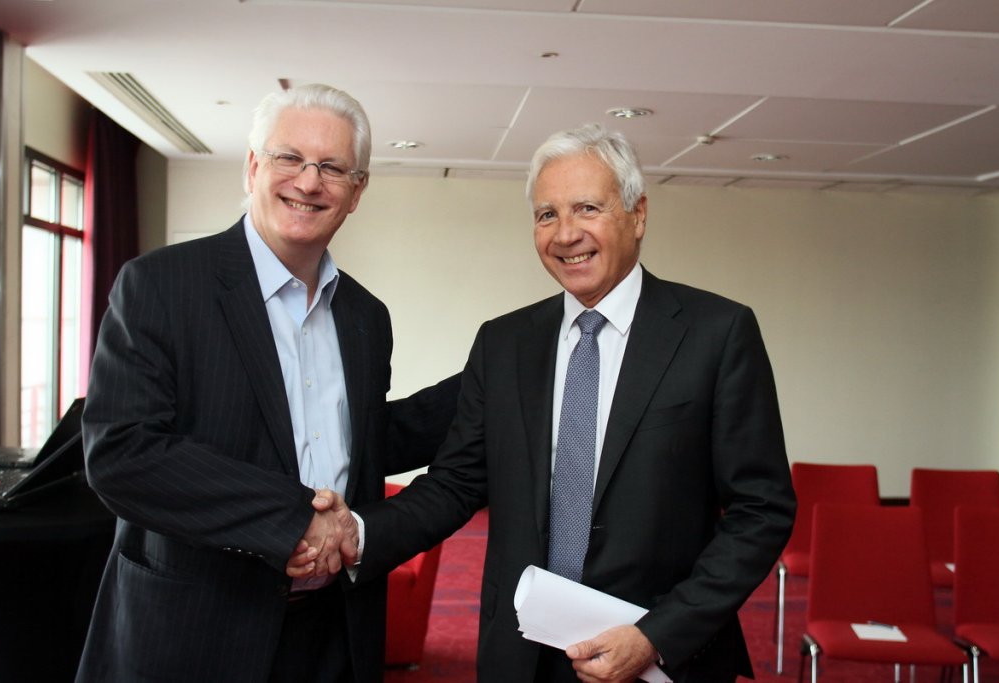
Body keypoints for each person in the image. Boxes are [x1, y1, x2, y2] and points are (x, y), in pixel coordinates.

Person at [327, 123, 795, 682]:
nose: (565, 234)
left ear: (638, 213)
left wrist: (657, 635)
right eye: (547, 214)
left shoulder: (717, 334)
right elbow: (455, 483)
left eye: (587, 208)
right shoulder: (505, 344)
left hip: (658, 655)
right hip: (522, 654)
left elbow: (760, 511)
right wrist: (359, 533)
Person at [77, 84, 459, 683]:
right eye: (290, 158)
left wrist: (502, 376)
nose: (309, 183)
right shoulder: (161, 285)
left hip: (332, 633)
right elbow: (123, 453)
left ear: (356, 192)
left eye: (333, 168)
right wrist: (294, 520)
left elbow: (355, 441)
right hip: (196, 631)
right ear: (253, 166)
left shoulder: (365, 316)